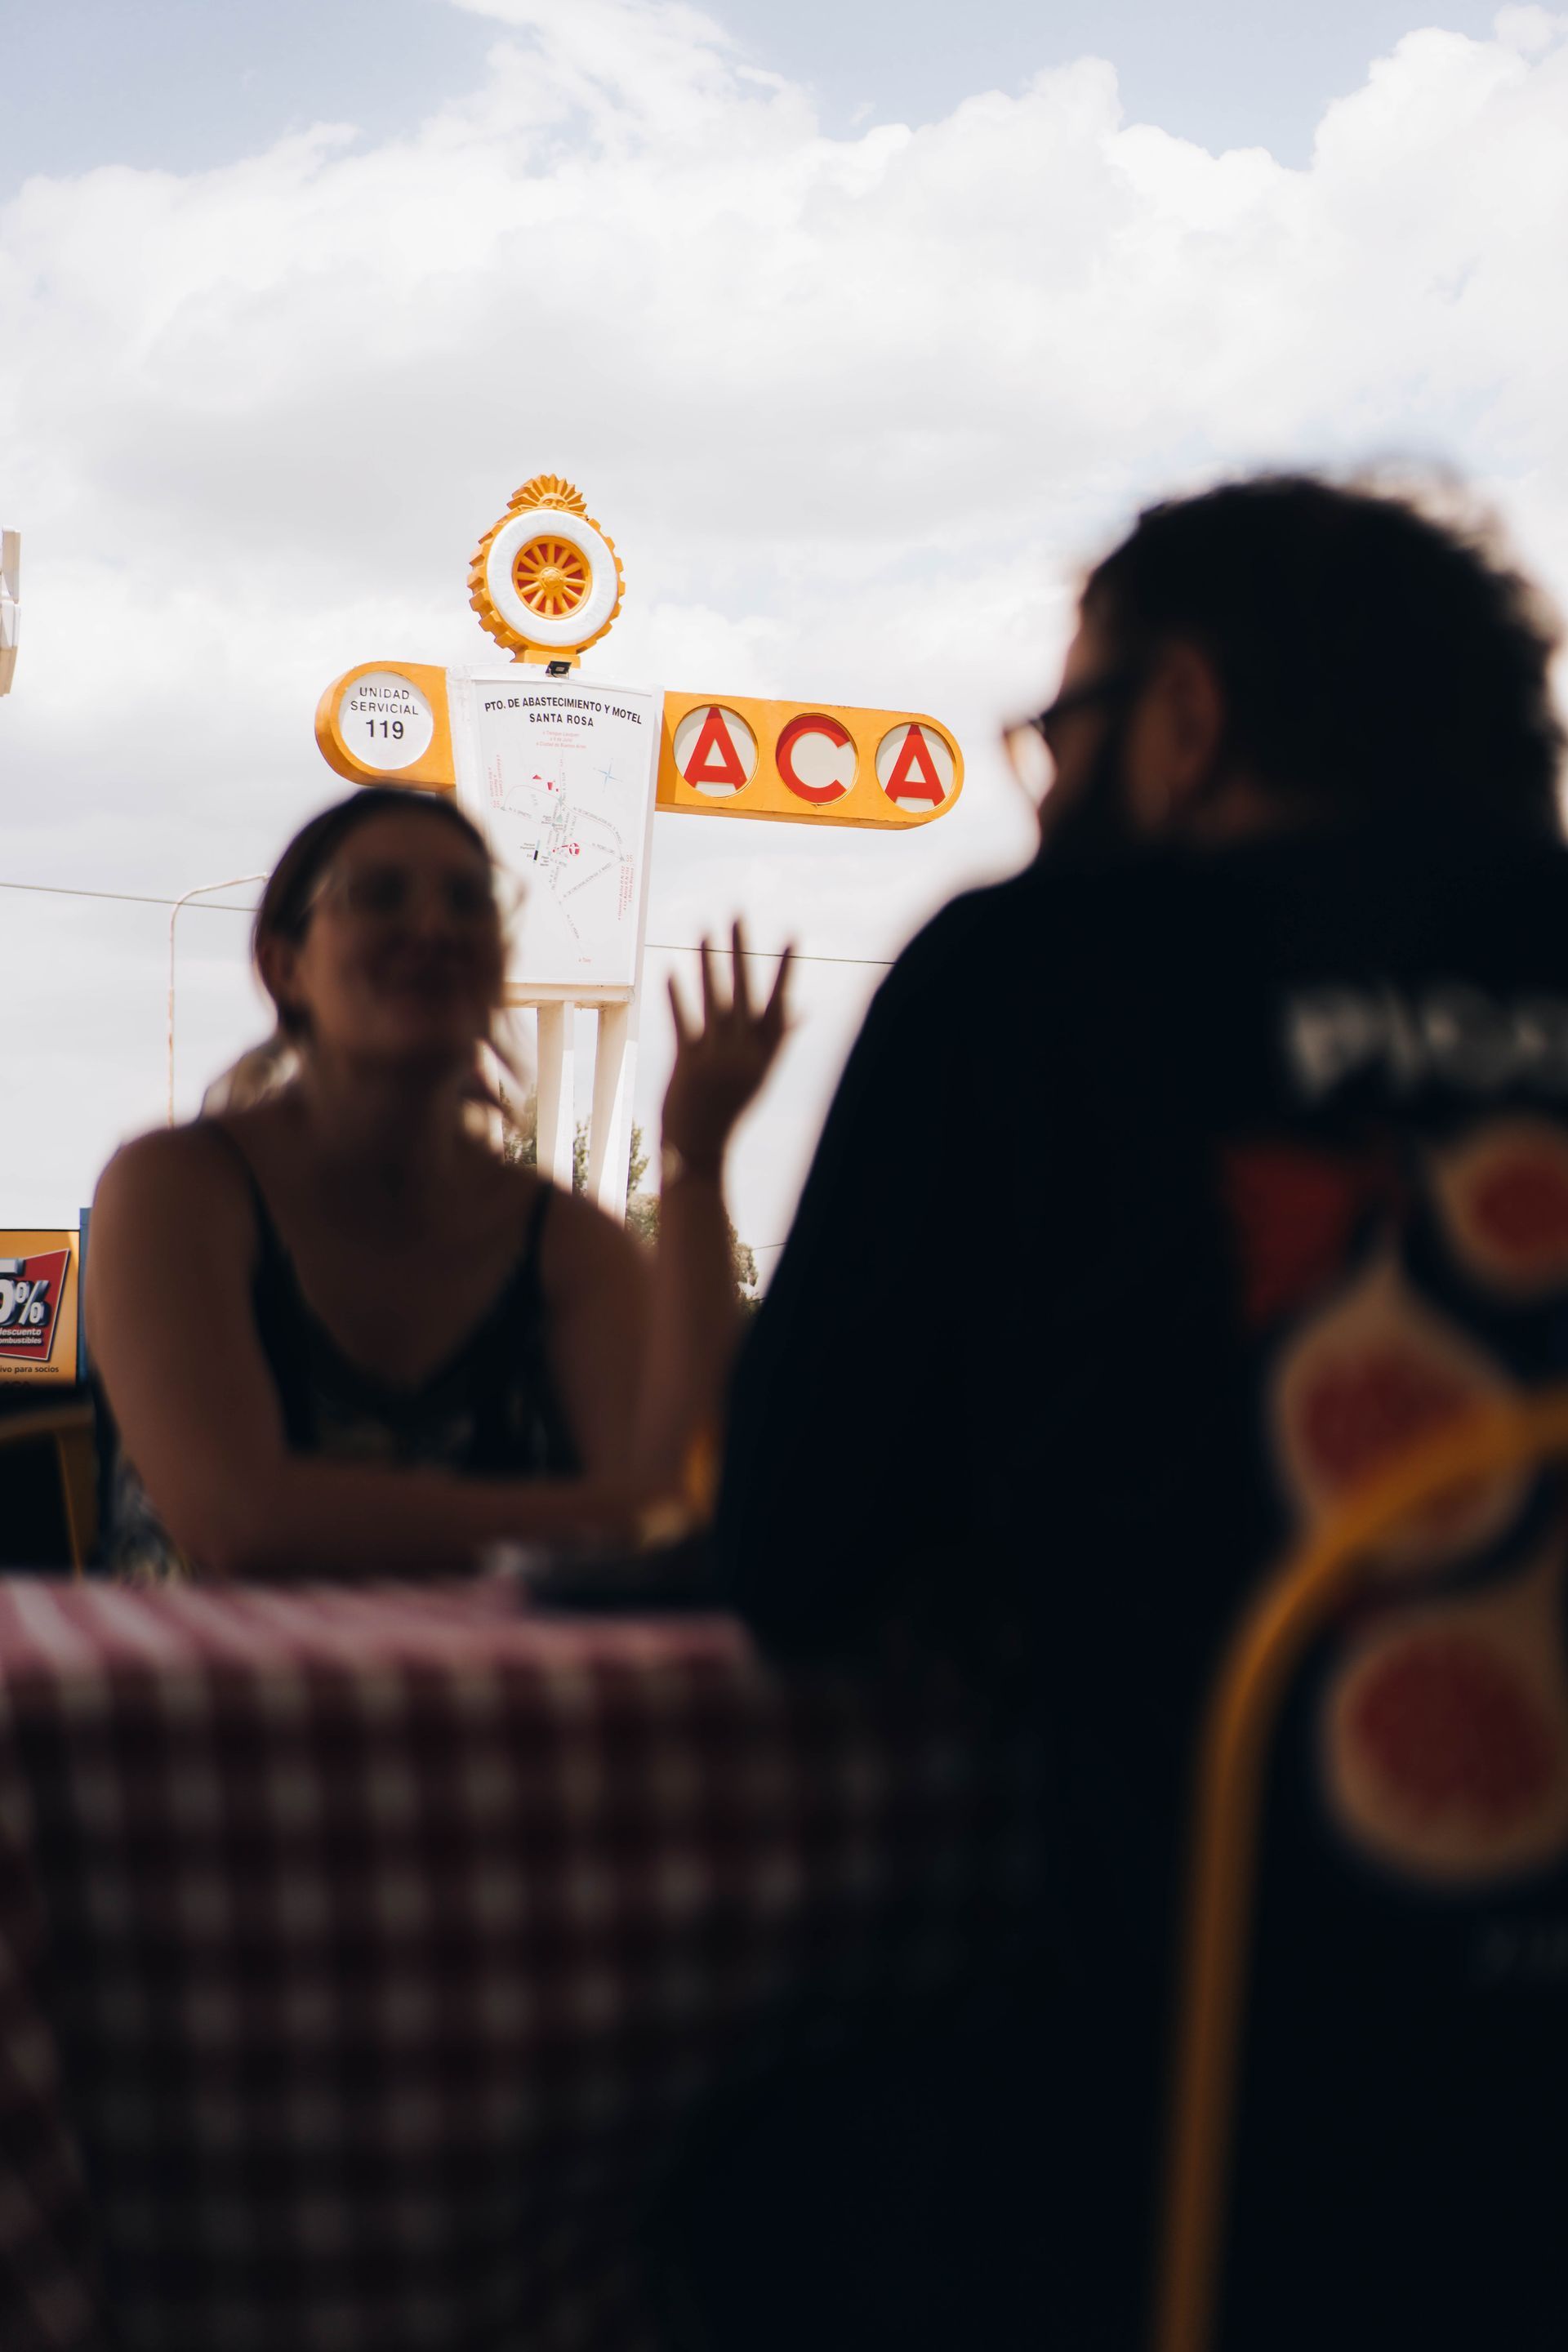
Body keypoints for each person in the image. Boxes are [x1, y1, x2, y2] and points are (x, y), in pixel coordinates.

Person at [690, 475, 1568, 2349]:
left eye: (1061, 728)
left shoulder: (1032, 974)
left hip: (1249, 2159)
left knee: (731, 2176)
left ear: (1182, 717)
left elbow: (795, 1554)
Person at [87, 786, 787, 1580]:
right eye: (378, 896)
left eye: (469, 901)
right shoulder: (175, 1188)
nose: (433, 927)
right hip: (201, 1701)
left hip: (502, 1701)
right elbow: (236, 1521)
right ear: (285, 967)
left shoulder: (563, 1240)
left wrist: (693, 1160)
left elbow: (676, 1508)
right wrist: (615, 1517)